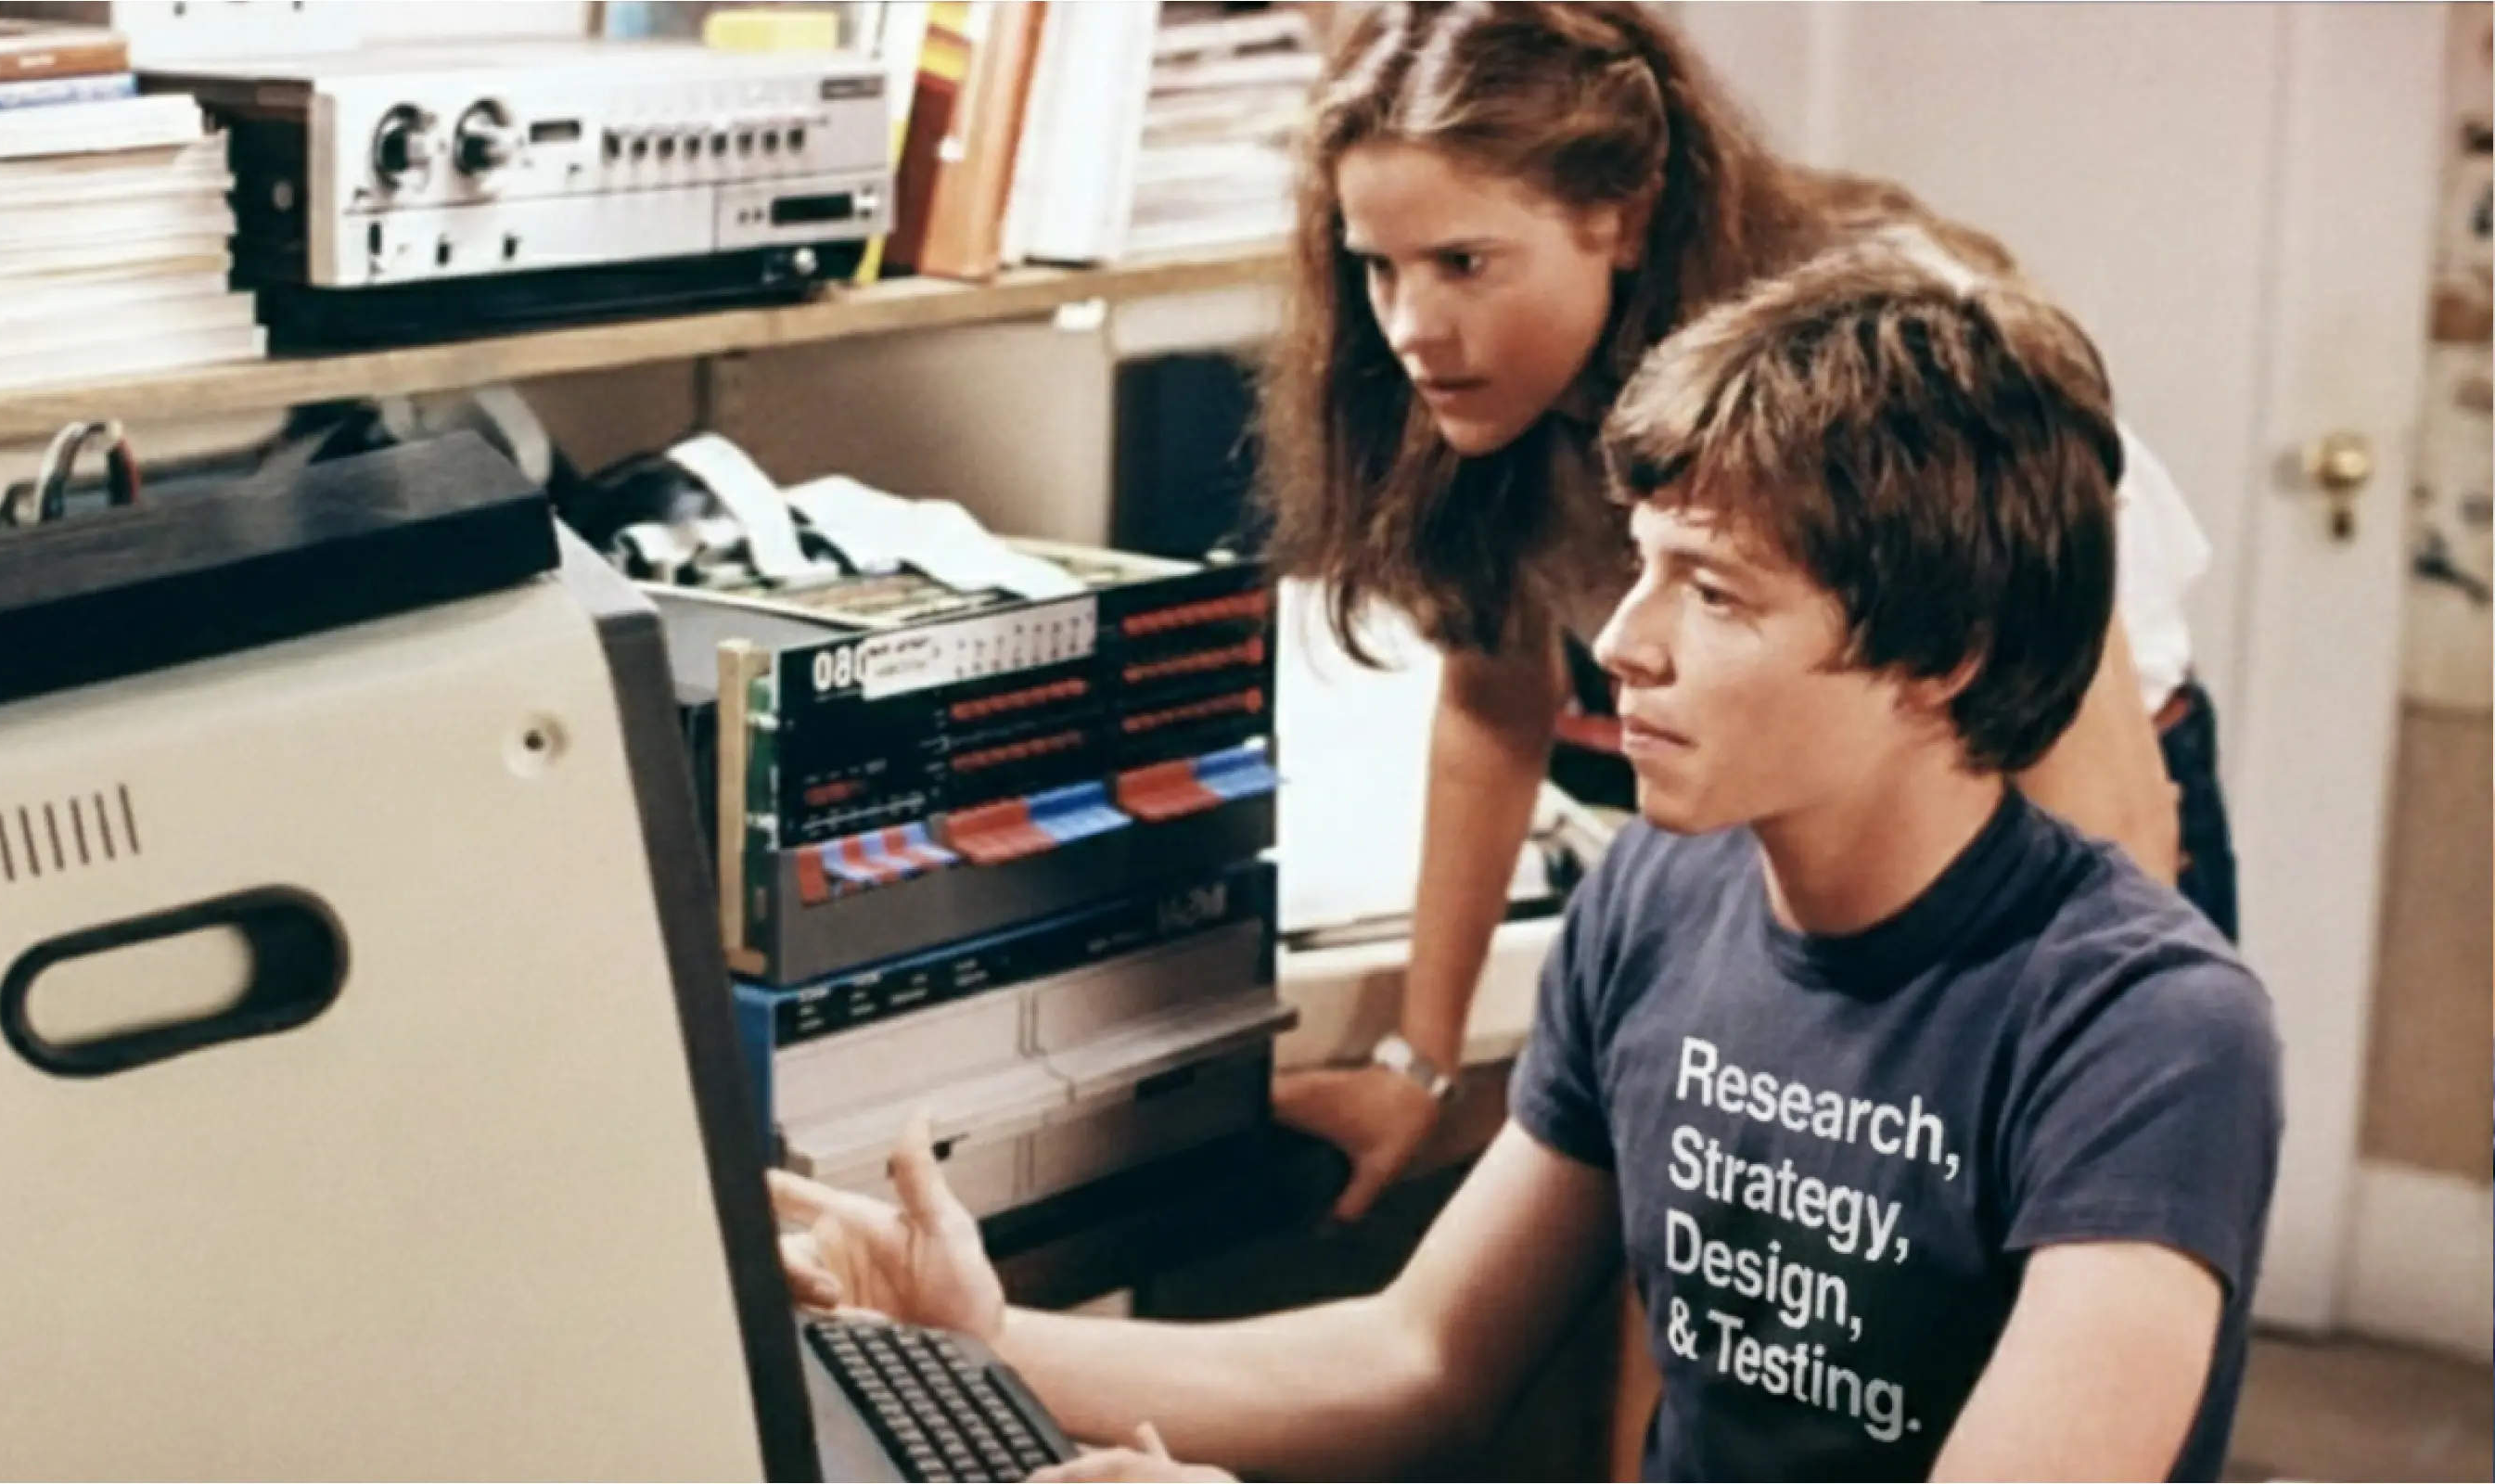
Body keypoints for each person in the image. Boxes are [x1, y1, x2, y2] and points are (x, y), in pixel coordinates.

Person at [771, 242, 2283, 1482]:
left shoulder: (2149, 1031)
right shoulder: (1658, 900)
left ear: (1944, 655)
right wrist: (980, 1338)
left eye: (1716, 594)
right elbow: (1416, 1362)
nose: (1621, 640)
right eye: (1641, 564)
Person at [1260, 0, 2236, 1231]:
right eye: (1378, 266)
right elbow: (1495, 705)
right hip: (1804, 812)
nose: (1408, 328)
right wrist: (1422, 1063)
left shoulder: (1901, 356)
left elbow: (2108, 817)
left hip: (2045, 806)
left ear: (1621, 218)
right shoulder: (1482, 388)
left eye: (1463, 263)